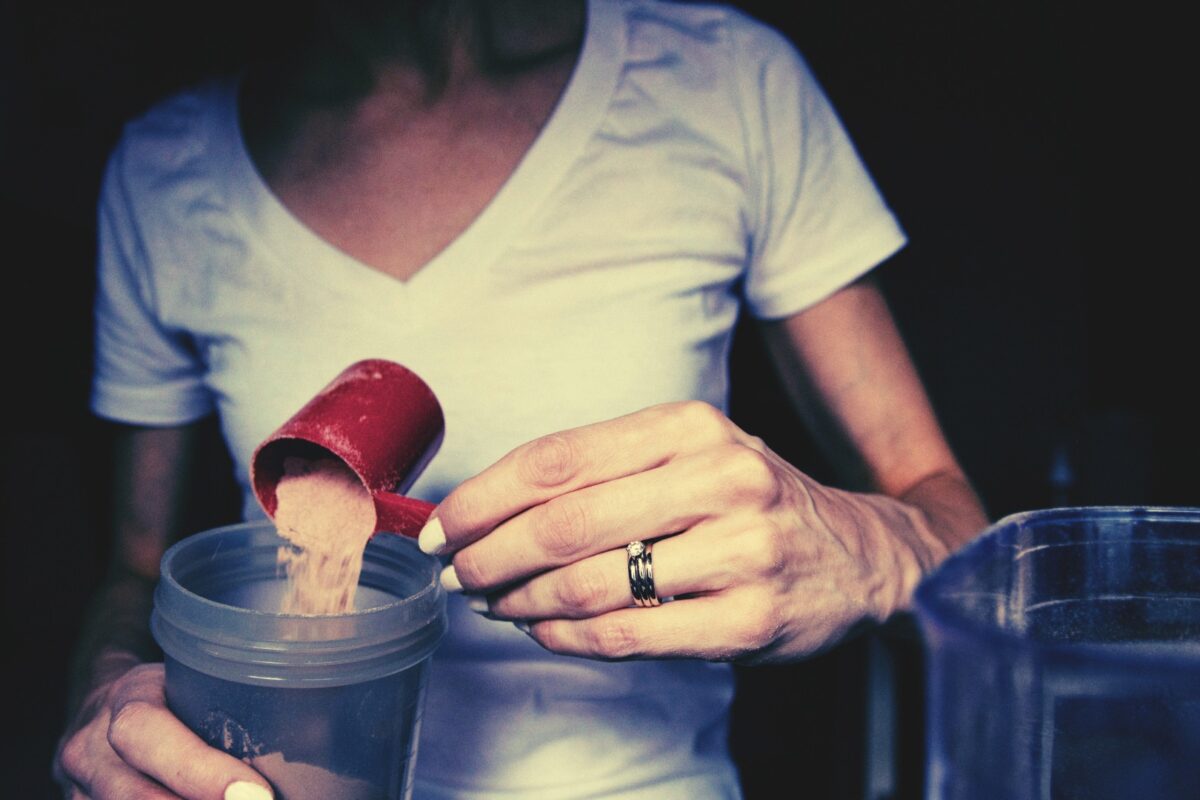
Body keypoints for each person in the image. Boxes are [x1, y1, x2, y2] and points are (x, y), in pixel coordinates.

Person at [55, 0, 989, 797]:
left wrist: (870, 549)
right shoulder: (163, 169)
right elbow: (137, 572)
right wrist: (107, 695)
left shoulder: (725, 83)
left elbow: (953, 522)